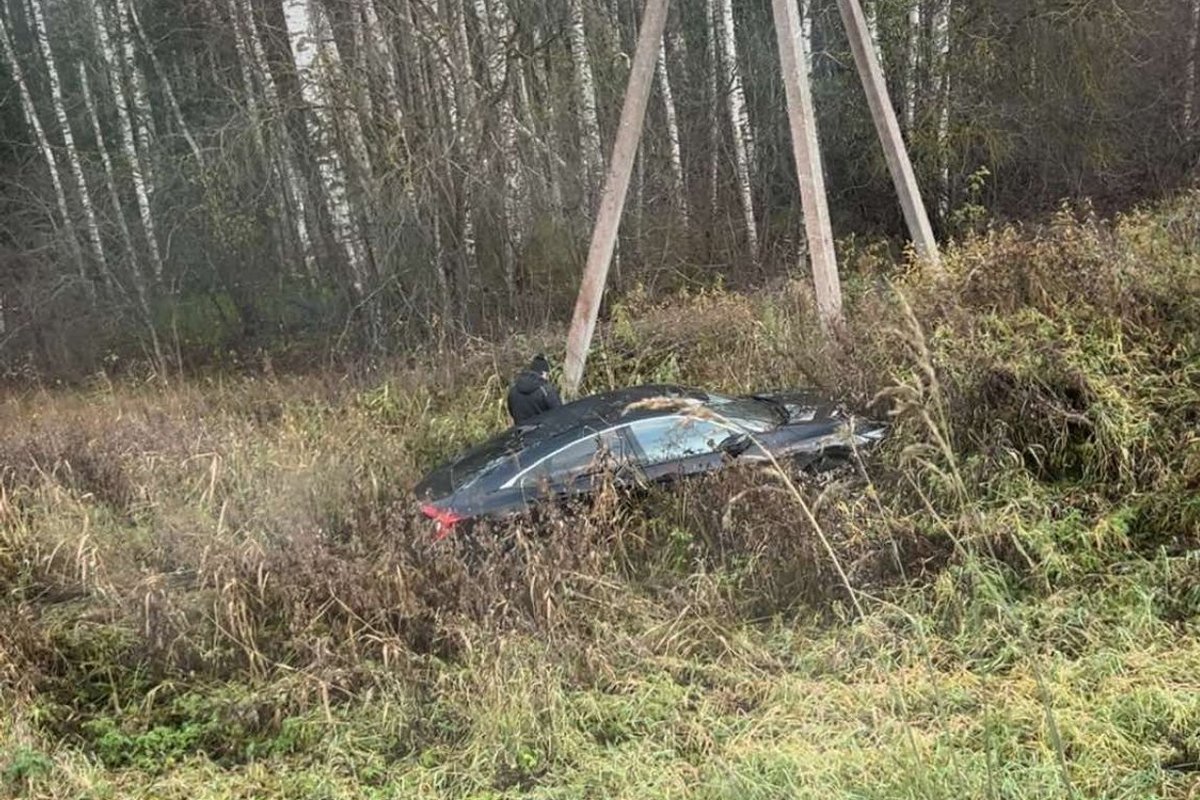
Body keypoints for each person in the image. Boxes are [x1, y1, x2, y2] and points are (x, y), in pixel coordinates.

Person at [506, 354, 562, 425]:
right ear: (543, 373)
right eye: (547, 375)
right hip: (545, 433)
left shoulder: (513, 391)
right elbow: (559, 414)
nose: (548, 378)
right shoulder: (546, 390)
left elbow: (512, 412)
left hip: (522, 433)